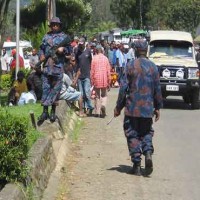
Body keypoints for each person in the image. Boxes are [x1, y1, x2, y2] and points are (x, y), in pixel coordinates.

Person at [114, 40, 163, 176]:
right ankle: (147, 152)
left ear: (135, 51)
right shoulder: (153, 67)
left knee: (132, 133)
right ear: (146, 51)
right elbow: (157, 89)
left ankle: (136, 165)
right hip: (147, 109)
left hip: (132, 108)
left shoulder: (130, 66)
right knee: (146, 132)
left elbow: (123, 89)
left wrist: (118, 107)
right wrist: (158, 107)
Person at [37, 16, 71, 124]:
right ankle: (44, 112)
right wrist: (41, 55)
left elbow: (70, 50)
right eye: (53, 24)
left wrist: (63, 49)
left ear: (59, 26)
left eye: (56, 24)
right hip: (47, 67)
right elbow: (41, 48)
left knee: (55, 91)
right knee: (46, 89)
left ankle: (53, 112)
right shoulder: (46, 37)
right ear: (51, 26)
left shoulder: (64, 37)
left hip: (58, 68)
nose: (54, 26)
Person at [74, 37, 94, 116]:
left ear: (84, 43)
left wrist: (90, 72)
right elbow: (76, 63)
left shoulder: (88, 51)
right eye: (79, 44)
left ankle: (90, 107)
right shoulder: (77, 52)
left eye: (82, 44)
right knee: (81, 94)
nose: (80, 45)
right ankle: (84, 108)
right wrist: (76, 74)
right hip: (79, 76)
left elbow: (90, 61)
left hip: (86, 75)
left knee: (86, 92)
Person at [90, 45, 111, 117]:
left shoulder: (94, 59)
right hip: (104, 79)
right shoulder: (106, 59)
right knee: (104, 95)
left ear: (96, 51)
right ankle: (103, 105)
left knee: (97, 96)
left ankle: (97, 112)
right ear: (102, 51)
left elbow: (92, 71)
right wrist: (109, 81)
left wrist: (92, 81)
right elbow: (108, 71)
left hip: (96, 79)